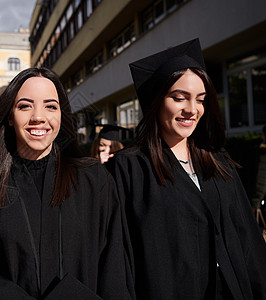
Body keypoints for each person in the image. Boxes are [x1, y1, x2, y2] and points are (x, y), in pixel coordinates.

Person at [0, 67, 134, 299]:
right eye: (25, 106)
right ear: (10, 117)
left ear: (62, 115)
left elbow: (113, 265)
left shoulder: (94, 181)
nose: (38, 116)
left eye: (51, 106)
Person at [106, 38, 266, 299]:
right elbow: (121, 254)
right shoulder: (129, 169)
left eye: (200, 100)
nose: (192, 110)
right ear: (157, 101)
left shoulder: (219, 163)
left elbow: (248, 240)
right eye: (179, 98)